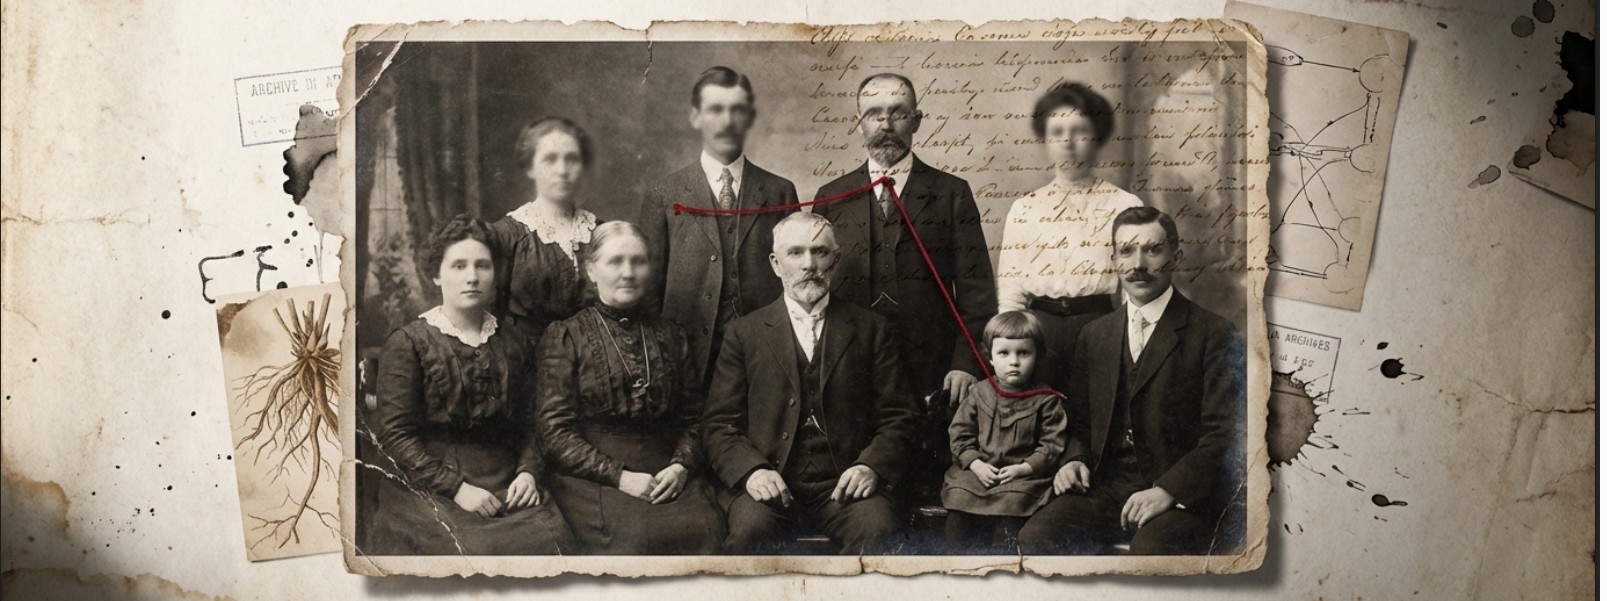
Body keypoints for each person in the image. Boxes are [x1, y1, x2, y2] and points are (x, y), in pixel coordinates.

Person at [1018, 206, 1247, 555]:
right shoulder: (1095, 334)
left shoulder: (1214, 333)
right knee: (1037, 537)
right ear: (1114, 259)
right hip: (1109, 488)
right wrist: (1074, 460)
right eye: (1126, 251)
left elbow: (1224, 435)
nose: (1138, 264)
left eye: (1152, 250)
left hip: (1180, 494)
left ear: (1176, 256)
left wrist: (1169, 491)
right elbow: (1078, 420)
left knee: (1151, 550)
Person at [703, 212, 920, 554]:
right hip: (769, 486)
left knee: (879, 533)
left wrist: (870, 465)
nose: (809, 264)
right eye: (796, 253)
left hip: (844, 487)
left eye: (820, 252)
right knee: (748, 537)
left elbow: (899, 416)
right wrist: (752, 472)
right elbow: (719, 425)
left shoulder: (871, 329)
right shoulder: (744, 333)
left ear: (835, 259)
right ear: (776, 263)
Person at [369, 215, 575, 555]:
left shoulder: (515, 341)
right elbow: (394, 436)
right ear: (436, 274)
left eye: (483, 266)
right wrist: (457, 489)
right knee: (478, 549)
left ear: (494, 275)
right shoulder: (408, 343)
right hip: (431, 482)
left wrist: (527, 473)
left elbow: (533, 424)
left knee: (554, 541)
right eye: (459, 266)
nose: (472, 277)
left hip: (505, 475)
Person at [535, 221, 725, 554]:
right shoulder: (567, 336)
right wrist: (620, 477)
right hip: (593, 478)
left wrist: (681, 467)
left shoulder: (671, 333)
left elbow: (696, 418)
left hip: (667, 469)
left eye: (638, 261)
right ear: (591, 269)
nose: (628, 272)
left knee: (708, 528)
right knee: (637, 540)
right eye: (615, 261)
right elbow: (554, 433)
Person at [812, 72, 996, 403]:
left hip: (933, 373)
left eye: (898, 113)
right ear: (859, 123)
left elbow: (977, 292)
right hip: (849, 371)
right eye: (874, 114)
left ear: (916, 121)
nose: (886, 125)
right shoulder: (831, 196)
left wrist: (967, 364)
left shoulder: (952, 193)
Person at [640, 66, 799, 391]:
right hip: (687, 356)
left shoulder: (779, 191)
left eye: (737, 110)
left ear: (749, 116)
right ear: (696, 116)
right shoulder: (665, 194)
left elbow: (794, 279)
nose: (727, 122)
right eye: (715, 109)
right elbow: (650, 288)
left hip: (764, 352)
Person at [995, 83, 1144, 396]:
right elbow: (1011, 290)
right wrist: (1013, 343)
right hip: (1039, 333)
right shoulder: (1025, 208)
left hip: (1100, 327)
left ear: (1096, 136)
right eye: (1058, 131)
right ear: (1046, 139)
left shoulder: (1124, 205)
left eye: (1079, 130)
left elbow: (1134, 287)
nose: (1068, 142)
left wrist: (1134, 341)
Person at [941, 311, 1067, 552]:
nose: (1014, 362)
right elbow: (960, 434)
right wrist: (975, 464)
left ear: (1037, 355)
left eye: (1023, 353)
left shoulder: (1046, 399)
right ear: (989, 357)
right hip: (980, 474)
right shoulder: (979, 393)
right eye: (1004, 353)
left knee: (1010, 520)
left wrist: (1024, 468)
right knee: (958, 512)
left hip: (1022, 478)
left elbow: (1052, 445)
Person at [488, 116, 599, 346]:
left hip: (592, 361)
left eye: (572, 159)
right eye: (550, 159)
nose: (562, 170)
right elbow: (490, 314)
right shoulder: (506, 235)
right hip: (527, 364)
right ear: (530, 167)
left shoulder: (599, 231)